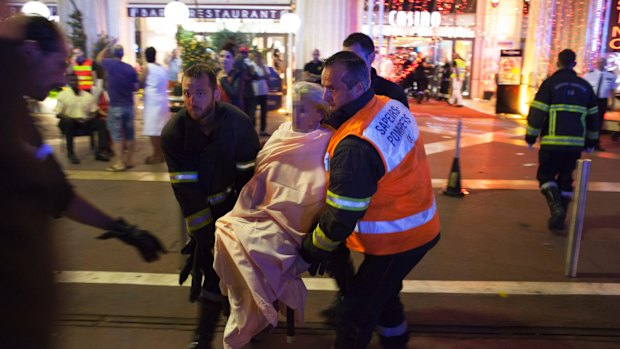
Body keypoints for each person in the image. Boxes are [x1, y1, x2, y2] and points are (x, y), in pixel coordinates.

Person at [0, 14, 165, 349]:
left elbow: (58, 190)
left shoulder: (23, 123)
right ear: (29, 53)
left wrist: (121, 228)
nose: (64, 78)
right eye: (60, 64)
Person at [300, 51, 440, 349]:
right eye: (323, 86)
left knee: (354, 316)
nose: (325, 95)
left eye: (333, 88)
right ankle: (396, 340)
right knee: (382, 294)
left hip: (399, 238)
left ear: (359, 87)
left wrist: (312, 249)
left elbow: (340, 217)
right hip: (415, 221)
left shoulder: (355, 145)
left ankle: (392, 339)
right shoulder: (389, 106)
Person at [213, 82, 331, 348]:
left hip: (294, 221)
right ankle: (250, 313)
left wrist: (293, 200)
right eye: (294, 109)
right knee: (226, 231)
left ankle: (250, 319)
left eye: (304, 110)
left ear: (319, 113)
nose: (296, 115)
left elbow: (315, 189)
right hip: (260, 209)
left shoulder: (326, 140)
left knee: (257, 247)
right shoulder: (281, 133)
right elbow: (260, 175)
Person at [161, 63, 260, 349]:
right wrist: (207, 238)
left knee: (243, 272)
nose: (192, 101)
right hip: (202, 211)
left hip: (237, 207)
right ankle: (204, 336)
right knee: (211, 268)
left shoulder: (238, 122)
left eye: (201, 93)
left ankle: (242, 325)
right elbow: (187, 192)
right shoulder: (174, 134)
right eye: (187, 93)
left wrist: (244, 223)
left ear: (216, 93)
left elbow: (250, 177)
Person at [525, 49, 599, 231]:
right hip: (574, 145)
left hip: (552, 142)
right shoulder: (585, 87)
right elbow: (594, 117)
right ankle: (560, 217)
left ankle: (556, 209)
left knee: (546, 176)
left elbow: (537, 112)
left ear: (558, 62)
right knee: (566, 179)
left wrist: (531, 136)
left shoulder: (550, 84)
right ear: (574, 63)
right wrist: (591, 142)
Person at [96, 41, 140, 172]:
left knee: (117, 136)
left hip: (115, 107)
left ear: (112, 54)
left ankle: (119, 163)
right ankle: (130, 161)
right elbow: (136, 87)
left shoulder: (109, 64)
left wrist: (107, 47)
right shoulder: (130, 68)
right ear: (123, 55)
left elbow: (99, 59)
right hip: (129, 106)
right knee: (130, 134)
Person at [343, 32, 409, 108]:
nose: (349, 63)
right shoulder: (339, 89)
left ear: (371, 57)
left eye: (355, 58)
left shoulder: (392, 92)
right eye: (345, 58)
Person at [55, 72, 110, 164]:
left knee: (100, 122)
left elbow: (95, 111)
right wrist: (74, 119)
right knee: (68, 122)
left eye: (76, 80)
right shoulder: (62, 95)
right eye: (72, 80)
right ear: (68, 82)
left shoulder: (87, 95)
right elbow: (58, 113)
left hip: (85, 121)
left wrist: (89, 118)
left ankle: (101, 151)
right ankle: (71, 153)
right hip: (69, 121)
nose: (75, 82)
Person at [140, 46, 170, 164]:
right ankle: (158, 154)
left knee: (153, 130)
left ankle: (157, 155)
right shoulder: (162, 68)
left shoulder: (147, 68)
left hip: (152, 103)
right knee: (160, 130)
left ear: (146, 56)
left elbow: (141, 82)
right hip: (162, 101)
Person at [583, 57, 618, 151]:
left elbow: (612, 91)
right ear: (596, 63)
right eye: (599, 62)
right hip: (590, 100)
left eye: (602, 62)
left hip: (602, 101)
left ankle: (595, 143)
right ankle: (585, 142)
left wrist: (612, 102)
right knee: (588, 120)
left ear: (605, 63)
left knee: (598, 122)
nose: (600, 63)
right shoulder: (589, 75)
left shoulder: (610, 76)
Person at [251, 51, 271, 136]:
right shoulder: (252, 66)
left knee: (264, 112)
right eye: (255, 57)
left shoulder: (264, 66)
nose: (257, 59)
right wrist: (261, 77)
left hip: (263, 92)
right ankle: (253, 130)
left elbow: (268, 76)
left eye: (258, 57)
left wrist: (262, 67)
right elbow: (253, 76)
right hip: (254, 92)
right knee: (253, 112)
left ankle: (262, 130)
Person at [217, 43, 243, 109]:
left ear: (233, 60)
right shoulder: (216, 73)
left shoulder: (237, 74)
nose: (224, 59)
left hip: (231, 112)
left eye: (227, 57)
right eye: (221, 56)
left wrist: (223, 80)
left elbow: (234, 95)